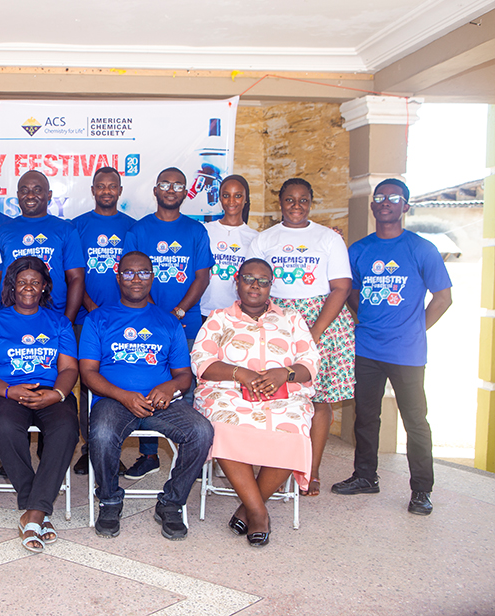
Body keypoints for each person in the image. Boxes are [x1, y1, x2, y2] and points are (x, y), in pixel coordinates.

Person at [333, 179, 452, 516]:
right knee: (366, 417)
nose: (385, 202)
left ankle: (421, 490)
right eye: (379, 198)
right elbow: (348, 291)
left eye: (393, 198)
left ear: (405, 207)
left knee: (416, 421)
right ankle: (365, 476)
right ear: (373, 206)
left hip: (407, 352)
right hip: (367, 348)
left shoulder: (421, 248)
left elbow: (443, 298)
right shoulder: (359, 250)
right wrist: (367, 317)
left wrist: (415, 328)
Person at [82, 252, 214, 541]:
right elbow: (88, 373)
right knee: (102, 433)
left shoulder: (167, 322)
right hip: (114, 400)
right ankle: (110, 500)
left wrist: (169, 388)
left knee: (201, 432)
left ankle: (171, 502)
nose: (136, 279)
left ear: (152, 277)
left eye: (143, 273)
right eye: (129, 273)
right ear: (118, 278)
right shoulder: (97, 319)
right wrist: (124, 396)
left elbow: (184, 376)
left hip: (161, 402)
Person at [191, 258, 319, 547]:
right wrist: (241, 374)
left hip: (283, 393)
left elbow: (310, 362)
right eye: (249, 278)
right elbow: (201, 362)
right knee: (221, 427)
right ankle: (259, 513)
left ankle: (247, 506)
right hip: (228, 392)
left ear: (270, 286)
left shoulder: (292, 318)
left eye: (263, 281)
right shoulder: (218, 318)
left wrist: (282, 373)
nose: (255, 286)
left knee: (294, 429)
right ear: (237, 281)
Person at [249, 178, 353, 497]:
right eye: (290, 200)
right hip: (278, 321)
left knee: (318, 399)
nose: (296, 206)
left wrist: (316, 331)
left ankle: (312, 468)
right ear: (280, 201)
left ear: (311, 202)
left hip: (323, 320)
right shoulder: (264, 240)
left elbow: (341, 287)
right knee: (275, 395)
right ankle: (271, 464)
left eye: (303, 200)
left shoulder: (328, 238)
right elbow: (251, 284)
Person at [0, 256, 79, 552]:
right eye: (22, 282)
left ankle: (32, 513)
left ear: (45, 287)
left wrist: (56, 394)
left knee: (67, 428)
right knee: (5, 427)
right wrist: (9, 392)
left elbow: (70, 369)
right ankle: (39, 509)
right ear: (12, 287)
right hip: (5, 392)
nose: (28, 288)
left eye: (35, 282)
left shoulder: (59, 322)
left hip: (50, 391)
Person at [122, 167, 214, 479]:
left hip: (183, 321)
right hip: (144, 321)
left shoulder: (196, 231)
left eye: (177, 185)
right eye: (165, 183)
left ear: (185, 191)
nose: (171, 189)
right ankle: (149, 456)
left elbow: (202, 277)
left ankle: (189, 453)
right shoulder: (139, 230)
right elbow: (129, 275)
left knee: (182, 385)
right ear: (156, 190)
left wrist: (176, 312)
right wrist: (151, 314)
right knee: (149, 383)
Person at [71, 166, 136, 475]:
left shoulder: (132, 228)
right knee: (88, 383)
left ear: (120, 191)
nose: (107, 191)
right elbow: (75, 276)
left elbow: (138, 275)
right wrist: (94, 310)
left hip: (126, 321)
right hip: (89, 318)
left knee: (120, 379)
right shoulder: (78, 227)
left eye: (113, 186)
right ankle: (89, 446)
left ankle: (113, 446)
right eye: (101, 186)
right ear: (93, 190)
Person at [0, 170, 85, 322]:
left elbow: (76, 278)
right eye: (25, 190)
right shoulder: (3, 230)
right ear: (17, 195)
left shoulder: (65, 229)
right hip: (12, 319)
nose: (30, 196)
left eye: (37, 190)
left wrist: (67, 322)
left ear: (49, 195)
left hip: (56, 317)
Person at [200, 175, 258, 317]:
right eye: (226, 195)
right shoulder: (205, 230)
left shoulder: (255, 237)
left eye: (237, 196)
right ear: (220, 198)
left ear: (246, 199)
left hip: (238, 314)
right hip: (205, 311)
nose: (231, 201)